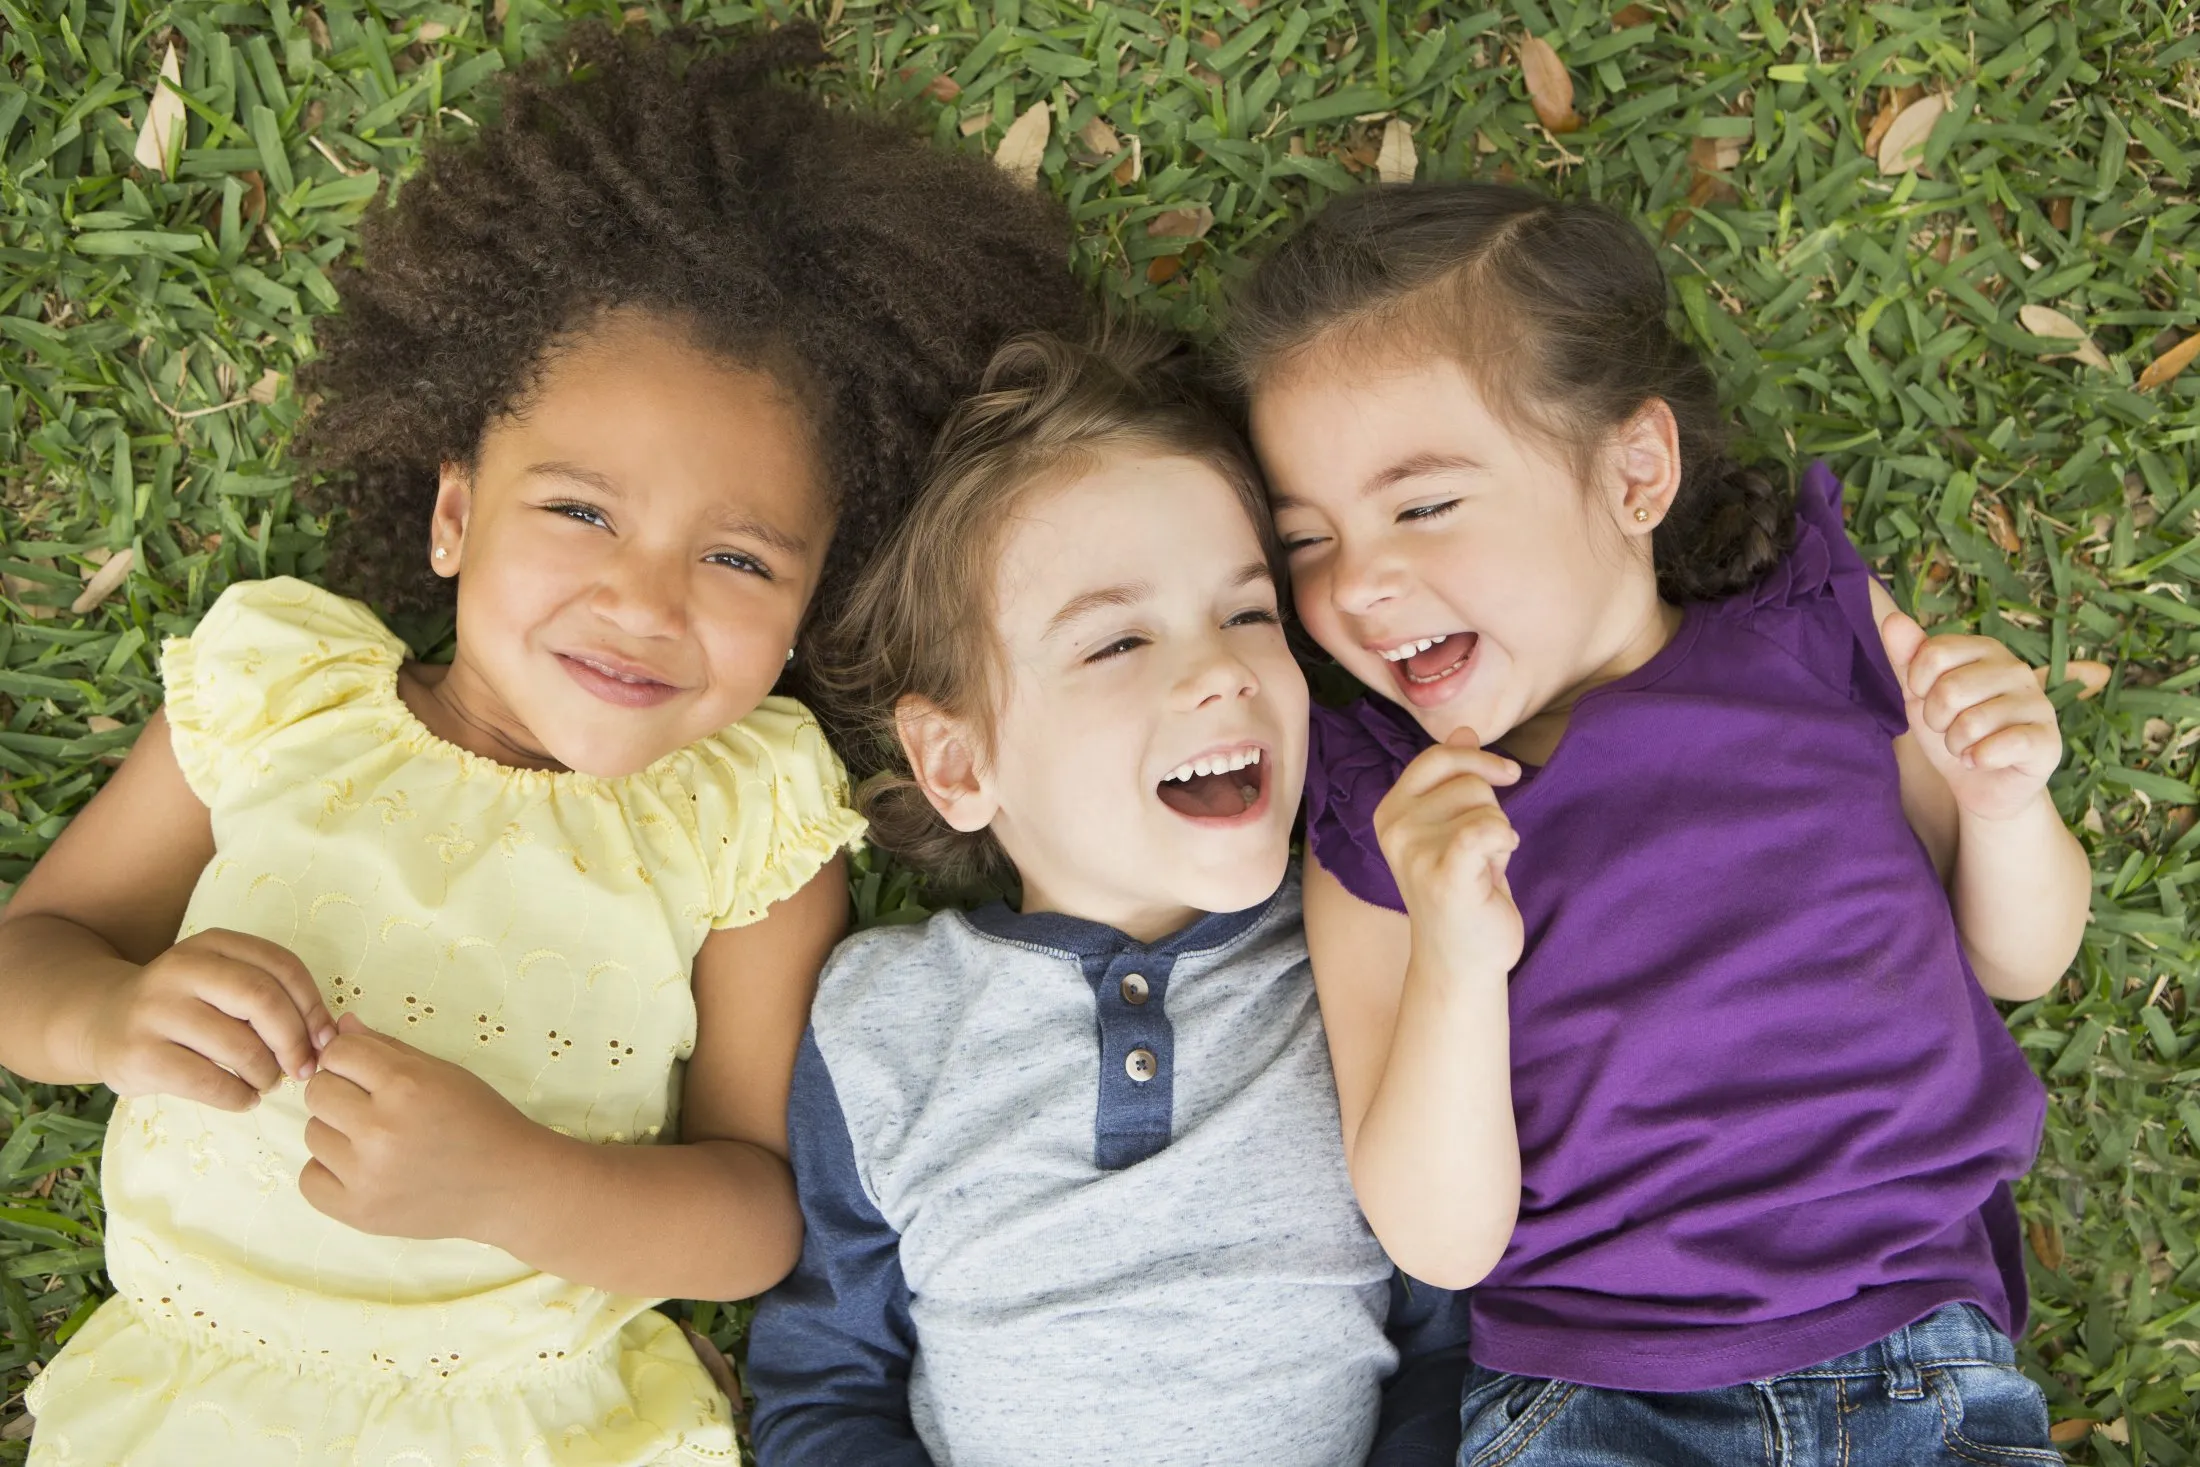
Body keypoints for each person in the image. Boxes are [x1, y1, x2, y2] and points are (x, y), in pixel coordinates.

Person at [0, 23, 1082, 1464]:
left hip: (528, 1422)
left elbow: (757, 1209)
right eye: (580, 511)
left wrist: (513, 1181)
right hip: (195, 1398)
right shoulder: (286, 698)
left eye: (741, 561)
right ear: (454, 515)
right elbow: (38, 946)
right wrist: (111, 1018)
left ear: (817, 600)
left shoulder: (744, 822)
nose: (643, 600)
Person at [1225, 181, 2085, 1465]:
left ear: (1636, 470)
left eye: (1421, 505)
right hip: (1599, 1405)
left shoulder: (1812, 640)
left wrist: (2005, 804)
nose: (1354, 584)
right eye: (1306, 539)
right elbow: (1440, 1238)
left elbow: (2018, 959)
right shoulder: (1383, 816)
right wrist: (1460, 962)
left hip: (1925, 1372)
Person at [745, 330, 1470, 1466]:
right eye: (1118, 640)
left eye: (1247, 615)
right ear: (959, 763)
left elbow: (1446, 1334)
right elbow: (828, 1378)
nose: (1222, 670)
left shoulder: (1359, 953)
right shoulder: (882, 1019)